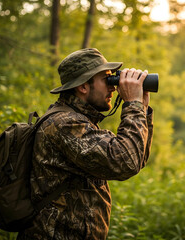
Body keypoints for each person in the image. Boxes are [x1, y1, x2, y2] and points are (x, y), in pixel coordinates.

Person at [17, 48, 153, 239]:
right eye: (107, 79)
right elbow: (126, 162)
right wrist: (133, 105)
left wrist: (142, 107)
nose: (114, 87)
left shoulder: (80, 121)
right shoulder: (64, 124)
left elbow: (136, 158)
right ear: (83, 87)